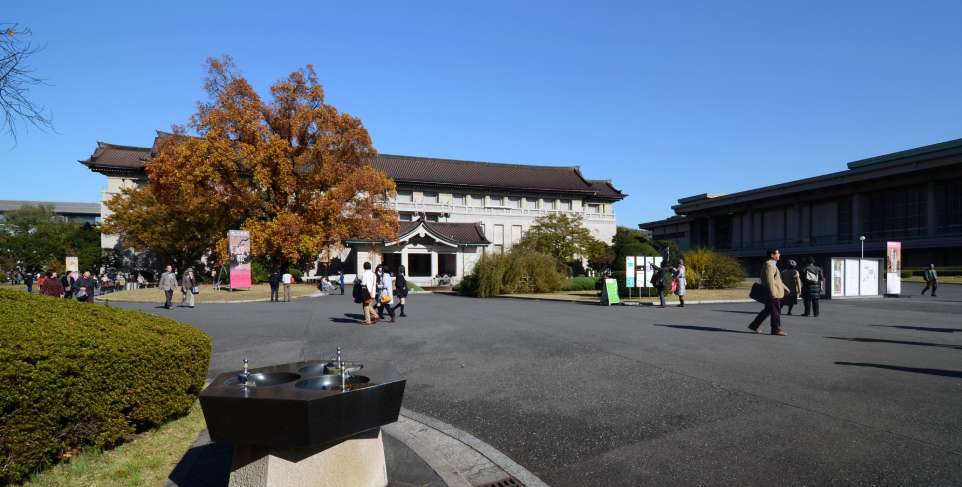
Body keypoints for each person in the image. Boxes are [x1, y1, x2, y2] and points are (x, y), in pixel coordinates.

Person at [749, 249, 789, 336]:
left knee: (767, 310)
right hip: (773, 292)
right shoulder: (769, 264)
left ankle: (754, 325)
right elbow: (769, 280)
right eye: (778, 253)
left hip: (774, 291)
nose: (779, 255)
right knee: (775, 311)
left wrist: (785, 288)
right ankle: (776, 329)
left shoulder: (772, 264)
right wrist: (773, 292)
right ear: (772, 255)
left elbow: (777, 280)